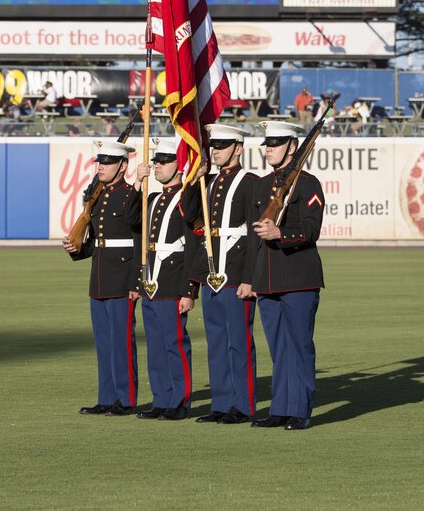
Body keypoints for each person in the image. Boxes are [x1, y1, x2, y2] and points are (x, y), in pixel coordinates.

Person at [242, 120, 325, 431]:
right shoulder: (261, 186)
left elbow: (312, 229)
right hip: (267, 279)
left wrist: (281, 233)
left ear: (293, 147)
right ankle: (280, 408)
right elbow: (252, 240)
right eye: (266, 144)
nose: (269, 149)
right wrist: (250, 279)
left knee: (299, 346)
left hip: (298, 277)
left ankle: (300, 410)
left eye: (276, 143)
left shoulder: (308, 184)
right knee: (278, 349)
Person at [62, 139, 141, 417]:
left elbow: (138, 241)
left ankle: (126, 399)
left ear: (122, 166)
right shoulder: (96, 198)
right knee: (104, 344)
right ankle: (107, 397)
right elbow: (97, 241)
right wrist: (77, 248)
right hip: (99, 278)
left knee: (122, 342)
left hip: (122, 279)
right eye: (100, 163)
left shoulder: (131, 195)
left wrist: (135, 282)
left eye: (107, 163)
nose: (102, 168)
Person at [194, 123, 259, 424]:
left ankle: (242, 406)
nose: (216, 150)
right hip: (212, 275)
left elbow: (254, 237)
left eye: (222, 145)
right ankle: (221, 403)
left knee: (239, 343)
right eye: (214, 146)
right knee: (217, 343)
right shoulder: (209, 182)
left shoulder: (251, 182)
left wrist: (249, 278)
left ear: (238, 148)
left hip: (235, 273)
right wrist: (193, 183)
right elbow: (192, 220)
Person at [132, 135, 200, 421]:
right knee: (156, 345)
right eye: (155, 162)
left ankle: (179, 401)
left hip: (173, 280)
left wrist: (188, 290)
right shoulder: (152, 198)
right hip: (151, 282)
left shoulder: (185, 199)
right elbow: (129, 220)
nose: (157, 166)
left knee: (174, 344)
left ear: (179, 164)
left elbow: (193, 244)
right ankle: (161, 399)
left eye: (163, 161)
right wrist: (137, 182)